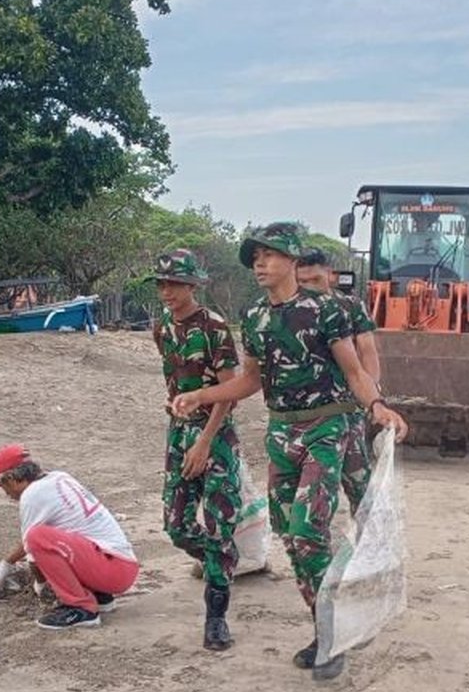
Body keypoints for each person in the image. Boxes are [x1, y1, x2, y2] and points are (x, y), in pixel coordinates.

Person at [172, 223, 408, 680]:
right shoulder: (255, 316)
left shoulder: (325, 310)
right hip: (281, 432)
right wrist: (203, 395)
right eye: (255, 257)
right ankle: (326, 624)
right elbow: (250, 380)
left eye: (270, 255)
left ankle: (332, 633)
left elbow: (355, 371)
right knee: (288, 534)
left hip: (328, 426)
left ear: (293, 261)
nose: (259, 263)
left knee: (307, 530)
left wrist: (377, 405)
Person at [150, 248, 242, 651]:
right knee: (176, 525)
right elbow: (175, 381)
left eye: (175, 284)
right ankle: (221, 559)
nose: (167, 291)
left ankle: (216, 618)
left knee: (219, 523)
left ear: (192, 286)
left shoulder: (214, 327)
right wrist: (175, 408)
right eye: (162, 284)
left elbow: (229, 392)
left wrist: (205, 442)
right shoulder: (162, 327)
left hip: (215, 436)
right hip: (178, 433)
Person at [0, 444, 138, 630]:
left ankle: (81, 608)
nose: (7, 494)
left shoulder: (32, 495)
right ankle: (100, 597)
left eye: (3, 487)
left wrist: (42, 587)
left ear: (10, 479)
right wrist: (7, 562)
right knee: (50, 536)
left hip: (111, 569)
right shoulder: (58, 477)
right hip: (120, 564)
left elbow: (33, 546)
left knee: (37, 537)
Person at [296, 247, 381, 517]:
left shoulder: (350, 306)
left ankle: (368, 534)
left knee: (358, 481)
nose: (309, 287)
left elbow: (367, 350)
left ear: (330, 275)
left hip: (347, 407)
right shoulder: (290, 311)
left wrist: (372, 396)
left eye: (316, 280)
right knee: (312, 488)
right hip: (307, 411)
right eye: (302, 281)